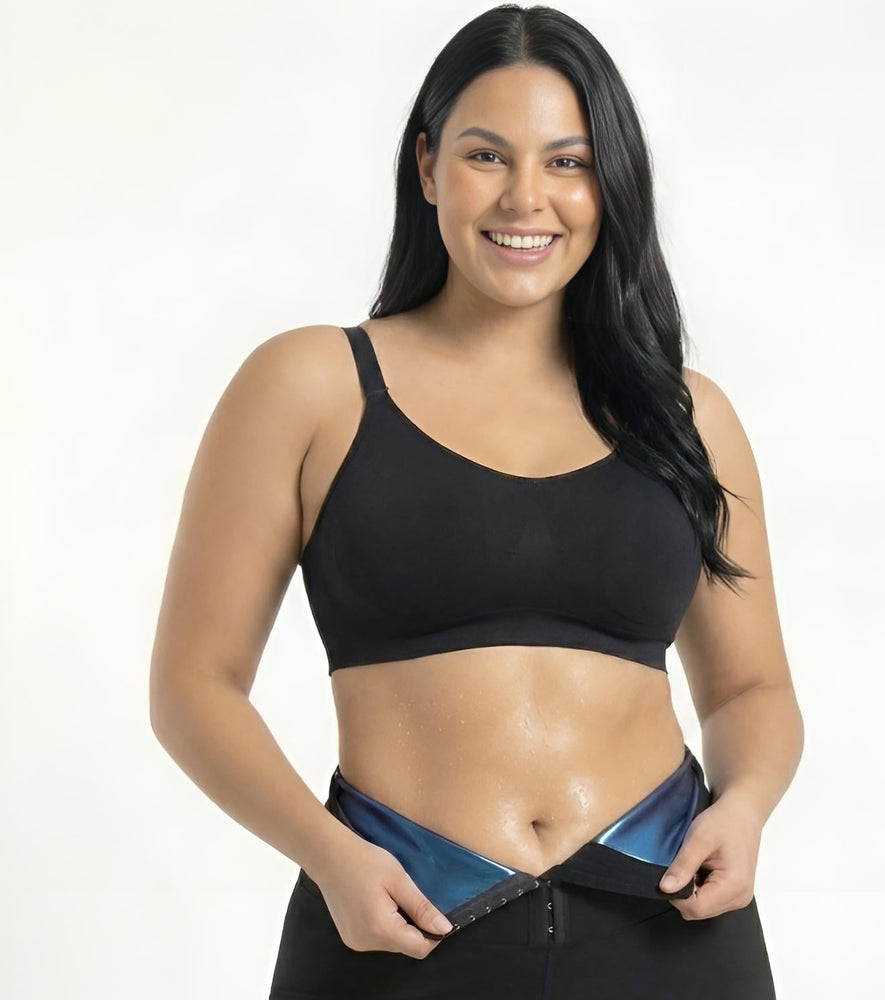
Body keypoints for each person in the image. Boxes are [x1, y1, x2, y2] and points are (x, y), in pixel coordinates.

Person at [149, 5, 803, 998]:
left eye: (568, 162)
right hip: (395, 924)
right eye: (487, 155)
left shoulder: (687, 416)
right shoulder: (311, 386)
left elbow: (752, 690)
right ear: (427, 167)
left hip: (670, 925)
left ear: (610, 183)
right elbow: (193, 684)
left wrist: (744, 808)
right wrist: (330, 856)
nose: (526, 196)